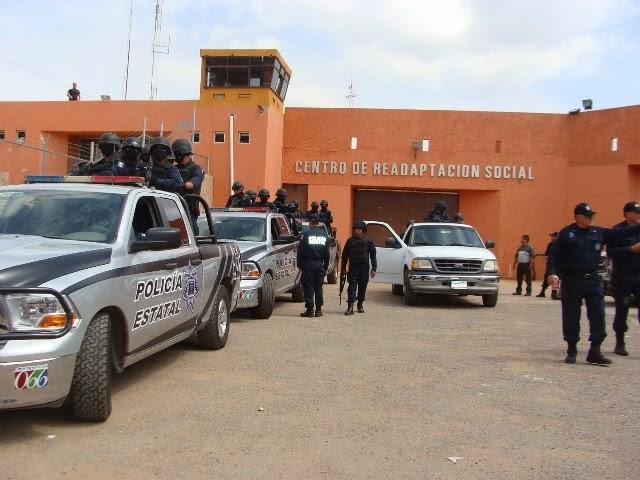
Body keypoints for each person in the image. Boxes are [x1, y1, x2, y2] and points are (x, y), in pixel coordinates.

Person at [547, 202, 640, 365]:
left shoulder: (599, 232)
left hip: (593, 280)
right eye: (588, 216)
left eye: (592, 216)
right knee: (571, 315)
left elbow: (621, 234)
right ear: (578, 217)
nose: (591, 219)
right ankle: (572, 349)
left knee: (598, 314)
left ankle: (595, 351)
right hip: (572, 280)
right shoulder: (567, 234)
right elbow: (554, 254)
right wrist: (552, 273)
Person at [608, 201, 640, 356]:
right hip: (623, 276)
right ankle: (620, 343)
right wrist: (631, 249)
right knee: (622, 309)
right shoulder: (617, 231)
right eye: (637, 212)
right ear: (628, 214)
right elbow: (611, 252)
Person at [296, 214, 330, 317]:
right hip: (320, 265)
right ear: (319, 223)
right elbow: (327, 254)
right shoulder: (324, 235)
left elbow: (300, 251)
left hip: (308, 265)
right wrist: (325, 268)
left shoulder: (306, 235)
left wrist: (299, 264)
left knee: (308, 288)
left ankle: (310, 310)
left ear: (310, 223)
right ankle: (319, 310)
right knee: (318, 288)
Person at [341, 220, 377, 315]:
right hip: (353, 268)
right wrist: (343, 267)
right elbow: (344, 255)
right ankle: (350, 307)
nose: (357, 231)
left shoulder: (369, 242)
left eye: (359, 229)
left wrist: (374, 269)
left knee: (362, 287)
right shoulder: (350, 241)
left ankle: (360, 304)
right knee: (352, 287)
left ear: (363, 231)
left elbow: (373, 256)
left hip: (364, 268)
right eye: (356, 229)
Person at [172, 138, 204, 235]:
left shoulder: (196, 168)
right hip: (174, 208)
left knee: (191, 233)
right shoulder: (174, 168)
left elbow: (198, 178)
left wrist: (190, 183)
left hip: (190, 209)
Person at [536, 232, 559, 299]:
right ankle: (542, 292)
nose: (551, 237)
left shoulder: (560, 245)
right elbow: (546, 253)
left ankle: (554, 293)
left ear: (556, 237)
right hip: (550, 264)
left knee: (555, 278)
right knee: (547, 277)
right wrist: (546, 256)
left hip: (556, 264)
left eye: (553, 236)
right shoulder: (550, 245)